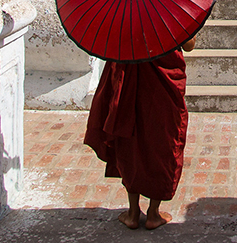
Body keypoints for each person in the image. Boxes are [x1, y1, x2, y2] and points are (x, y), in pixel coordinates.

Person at [85, 35, 198, 230]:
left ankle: (133, 212)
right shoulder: (175, 10)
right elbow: (189, 46)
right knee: (163, 141)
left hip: (129, 72)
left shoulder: (125, 11)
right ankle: (153, 213)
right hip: (163, 83)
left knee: (130, 138)